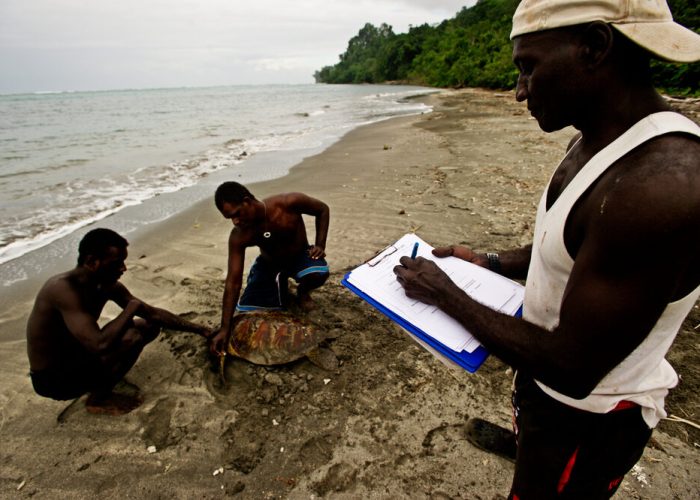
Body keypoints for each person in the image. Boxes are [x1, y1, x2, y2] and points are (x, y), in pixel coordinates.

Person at [394, 1, 700, 498]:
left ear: (594, 47)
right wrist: (490, 262)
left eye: (528, 68)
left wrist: (447, 295)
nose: (519, 92)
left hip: (589, 415)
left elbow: (574, 367)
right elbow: (568, 249)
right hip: (545, 394)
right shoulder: (598, 140)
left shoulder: (657, 188)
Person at [26, 228, 210, 414]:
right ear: (92, 262)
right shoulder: (63, 290)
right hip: (54, 379)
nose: (123, 268)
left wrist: (202, 330)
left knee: (148, 326)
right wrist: (131, 308)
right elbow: (99, 344)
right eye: (116, 263)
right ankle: (98, 399)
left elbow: (152, 314)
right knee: (132, 337)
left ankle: (99, 378)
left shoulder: (106, 285)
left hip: (79, 356)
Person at [209, 182, 330, 354]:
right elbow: (233, 282)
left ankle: (302, 293)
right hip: (270, 265)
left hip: (299, 257)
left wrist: (320, 244)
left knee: (318, 272)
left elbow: (323, 209)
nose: (235, 222)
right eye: (230, 218)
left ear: (247, 201)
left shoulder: (288, 203)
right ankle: (280, 286)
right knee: (250, 312)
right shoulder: (239, 235)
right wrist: (224, 328)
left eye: (236, 214)